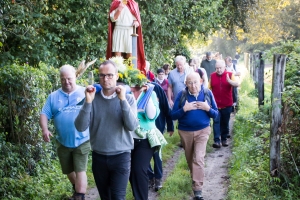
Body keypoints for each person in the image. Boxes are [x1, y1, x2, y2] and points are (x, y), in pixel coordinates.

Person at [75, 60, 139, 199]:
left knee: (118, 197)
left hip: (121, 156)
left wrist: (122, 100)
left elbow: (132, 126)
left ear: (117, 76)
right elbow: (80, 126)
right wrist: (88, 102)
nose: (106, 79)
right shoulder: (93, 98)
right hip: (99, 157)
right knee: (106, 197)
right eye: (102, 75)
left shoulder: (128, 98)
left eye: (110, 75)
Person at [39, 65, 90, 200]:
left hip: (82, 139)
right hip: (62, 141)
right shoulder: (53, 96)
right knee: (68, 170)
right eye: (63, 79)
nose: (66, 82)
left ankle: (80, 195)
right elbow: (44, 114)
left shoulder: (84, 92)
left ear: (75, 77)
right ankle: (78, 187)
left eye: (69, 79)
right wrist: (45, 129)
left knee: (80, 169)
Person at [170, 72, 218, 200]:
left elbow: (215, 114)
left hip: (203, 131)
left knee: (198, 158)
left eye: (195, 82)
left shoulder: (207, 93)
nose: (193, 85)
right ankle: (195, 178)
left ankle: (198, 190)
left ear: (201, 81)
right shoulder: (182, 95)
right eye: (190, 82)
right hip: (185, 132)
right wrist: (184, 109)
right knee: (191, 159)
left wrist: (207, 108)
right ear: (186, 84)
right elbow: (173, 115)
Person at [129, 83, 167, 200]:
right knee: (130, 171)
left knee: (139, 169)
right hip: (128, 138)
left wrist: (147, 94)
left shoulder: (151, 94)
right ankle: (137, 196)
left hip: (145, 138)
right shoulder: (126, 92)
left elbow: (151, 116)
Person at [106, 0, 146, 74]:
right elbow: (112, 19)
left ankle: (130, 75)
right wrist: (119, 9)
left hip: (129, 31)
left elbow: (137, 20)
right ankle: (117, 75)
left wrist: (136, 23)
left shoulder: (133, 4)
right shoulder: (115, 3)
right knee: (117, 55)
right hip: (118, 29)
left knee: (130, 55)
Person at [147, 81, 174, 191]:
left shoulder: (156, 88)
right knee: (144, 156)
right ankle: (149, 177)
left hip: (158, 127)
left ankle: (158, 178)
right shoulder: (136, 89)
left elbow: (166, 108)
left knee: (157, 154)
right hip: (144, 129)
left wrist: (170, 126)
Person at [209, 60, 240, 148]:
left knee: (225, 122)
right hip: (215, 105)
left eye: (220, 68)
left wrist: (229, 81)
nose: (218, 70)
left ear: (224, 68)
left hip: (227, 104)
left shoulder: (230, 74)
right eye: (217, 68)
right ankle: (216, 141)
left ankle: (224, 139)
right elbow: (209, 89)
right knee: (216, 122)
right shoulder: (212, 76)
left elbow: (237, 84)